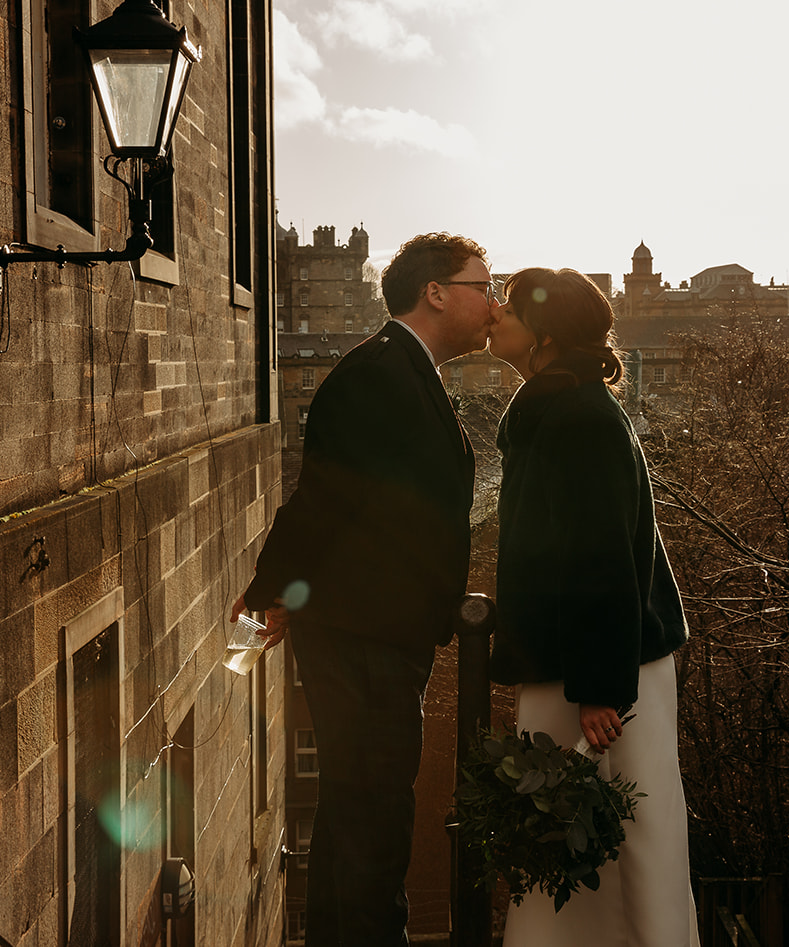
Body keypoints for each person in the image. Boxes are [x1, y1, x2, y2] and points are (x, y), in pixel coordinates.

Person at [229, 232, 495, 946]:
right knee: (374, 815)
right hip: (364, 636)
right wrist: (269, 592)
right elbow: (324, 498)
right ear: (435, 291)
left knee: (356, 811)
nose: (493, 302)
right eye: (484, 285)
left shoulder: (407, 370)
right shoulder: (378, 372)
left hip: (379, 633)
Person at [485, 266, 700, 947]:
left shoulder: (578, 416)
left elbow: (604, 557)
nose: (494, 313)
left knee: (632, 835)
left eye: (510, 307)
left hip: (605, 670)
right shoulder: (562, 407)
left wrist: (602, 687)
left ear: (544, 334)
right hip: (585, 661)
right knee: (567, 828)